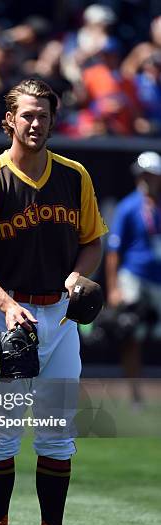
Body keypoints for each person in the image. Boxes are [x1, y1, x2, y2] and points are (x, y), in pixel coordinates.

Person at [0, 78, 107, 525]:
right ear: (9, 121)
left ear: (54, 120)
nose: (35, 123)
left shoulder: (74, 176)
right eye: (27, 115)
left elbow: (93, 240)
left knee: (58, 434)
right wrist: (4, 302)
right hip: (4, 319)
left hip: (59, 318)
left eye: (43, 114)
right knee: (1, 436)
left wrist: (81, 274)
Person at [105, 151, 161, 409]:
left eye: (151, 175)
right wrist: (114, 288)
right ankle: (135, 394)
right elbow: (113, 251)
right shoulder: (129, 207)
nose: (146, 180)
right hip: (134, 276)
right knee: (132, 335)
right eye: (143, 175)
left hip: (158, 279)